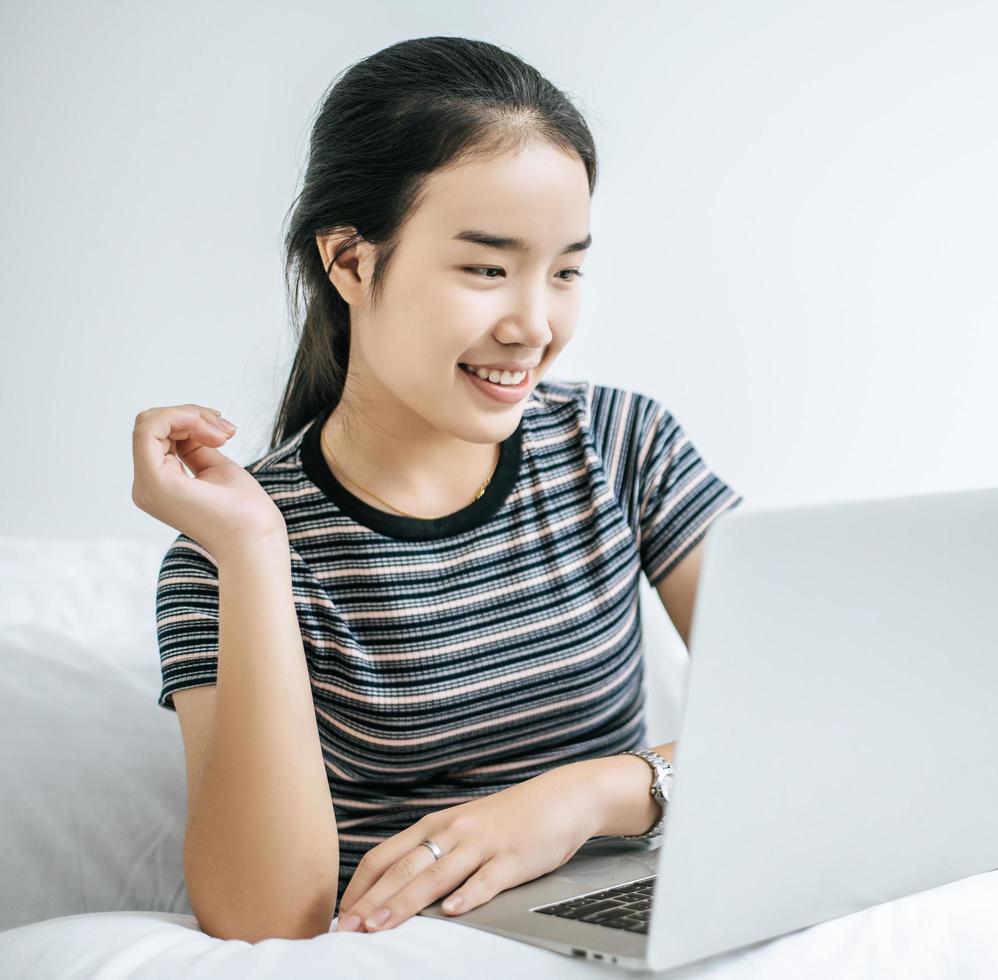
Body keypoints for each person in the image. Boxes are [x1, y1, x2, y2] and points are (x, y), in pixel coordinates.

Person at [128, 36, 742, 944]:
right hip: (413, 950)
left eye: (565, 269)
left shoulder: (621, 446)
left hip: (633, 917)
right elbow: (263, 917)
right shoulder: (225, 550)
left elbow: (814, 723)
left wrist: (589, 795)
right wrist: (253, 555)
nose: (533, 325)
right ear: (350, 264)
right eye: (486, 268)